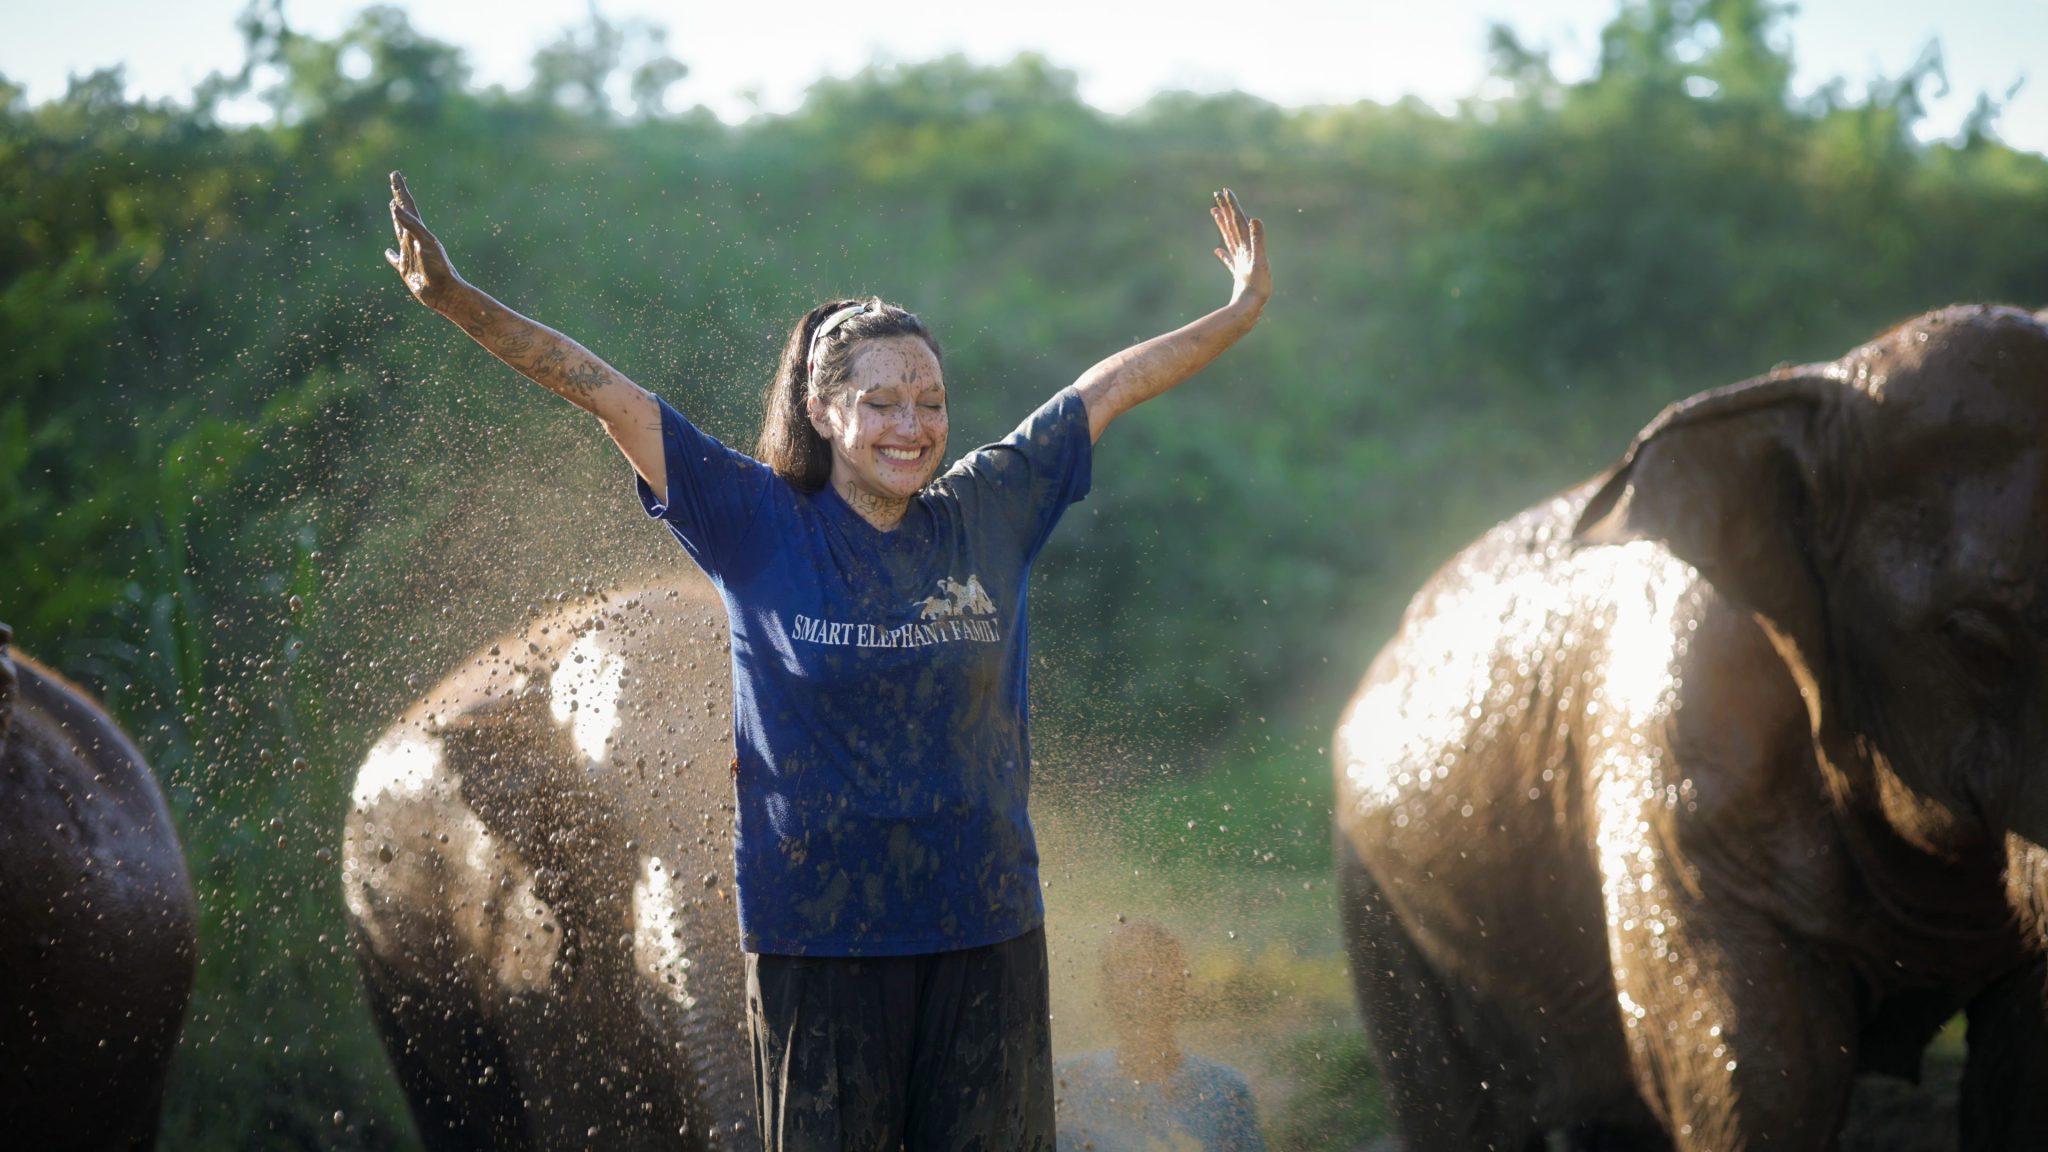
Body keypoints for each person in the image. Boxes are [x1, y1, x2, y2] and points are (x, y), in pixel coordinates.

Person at [383, 170, 1270, 1150]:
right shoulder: (752, 520)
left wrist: (1239, 311)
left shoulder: (989, 507)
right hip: (819, 946)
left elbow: (1106, 387)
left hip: (986, 933)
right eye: (882, 401)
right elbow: (599, 391)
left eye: (929, 400)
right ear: (819, 406)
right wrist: (455, 299)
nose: (912, 425)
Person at [1055, 921, 1267, 1152]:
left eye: (1154, 964)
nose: (1140, 977)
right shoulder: (1068, 1084)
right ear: (1105, 988)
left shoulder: (1224, 1093)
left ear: (1181, 984)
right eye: (1126, 964)